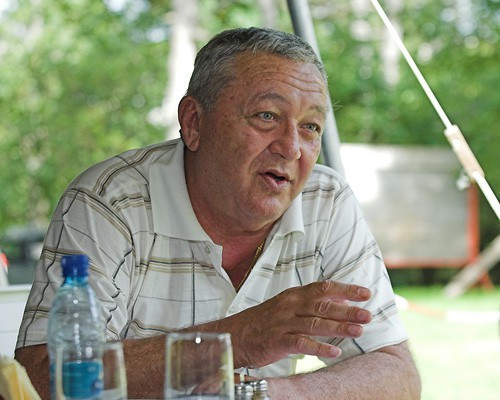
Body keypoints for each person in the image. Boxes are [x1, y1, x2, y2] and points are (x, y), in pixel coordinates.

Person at [16, 27, 421, 399]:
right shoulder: (110, 200)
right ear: (194, 122)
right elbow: (42, 376)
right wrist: (238, 339)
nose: (291, 147)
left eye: (311, 126)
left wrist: (266, 393)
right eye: (267, 116)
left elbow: (396, 373)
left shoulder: (325, 201)